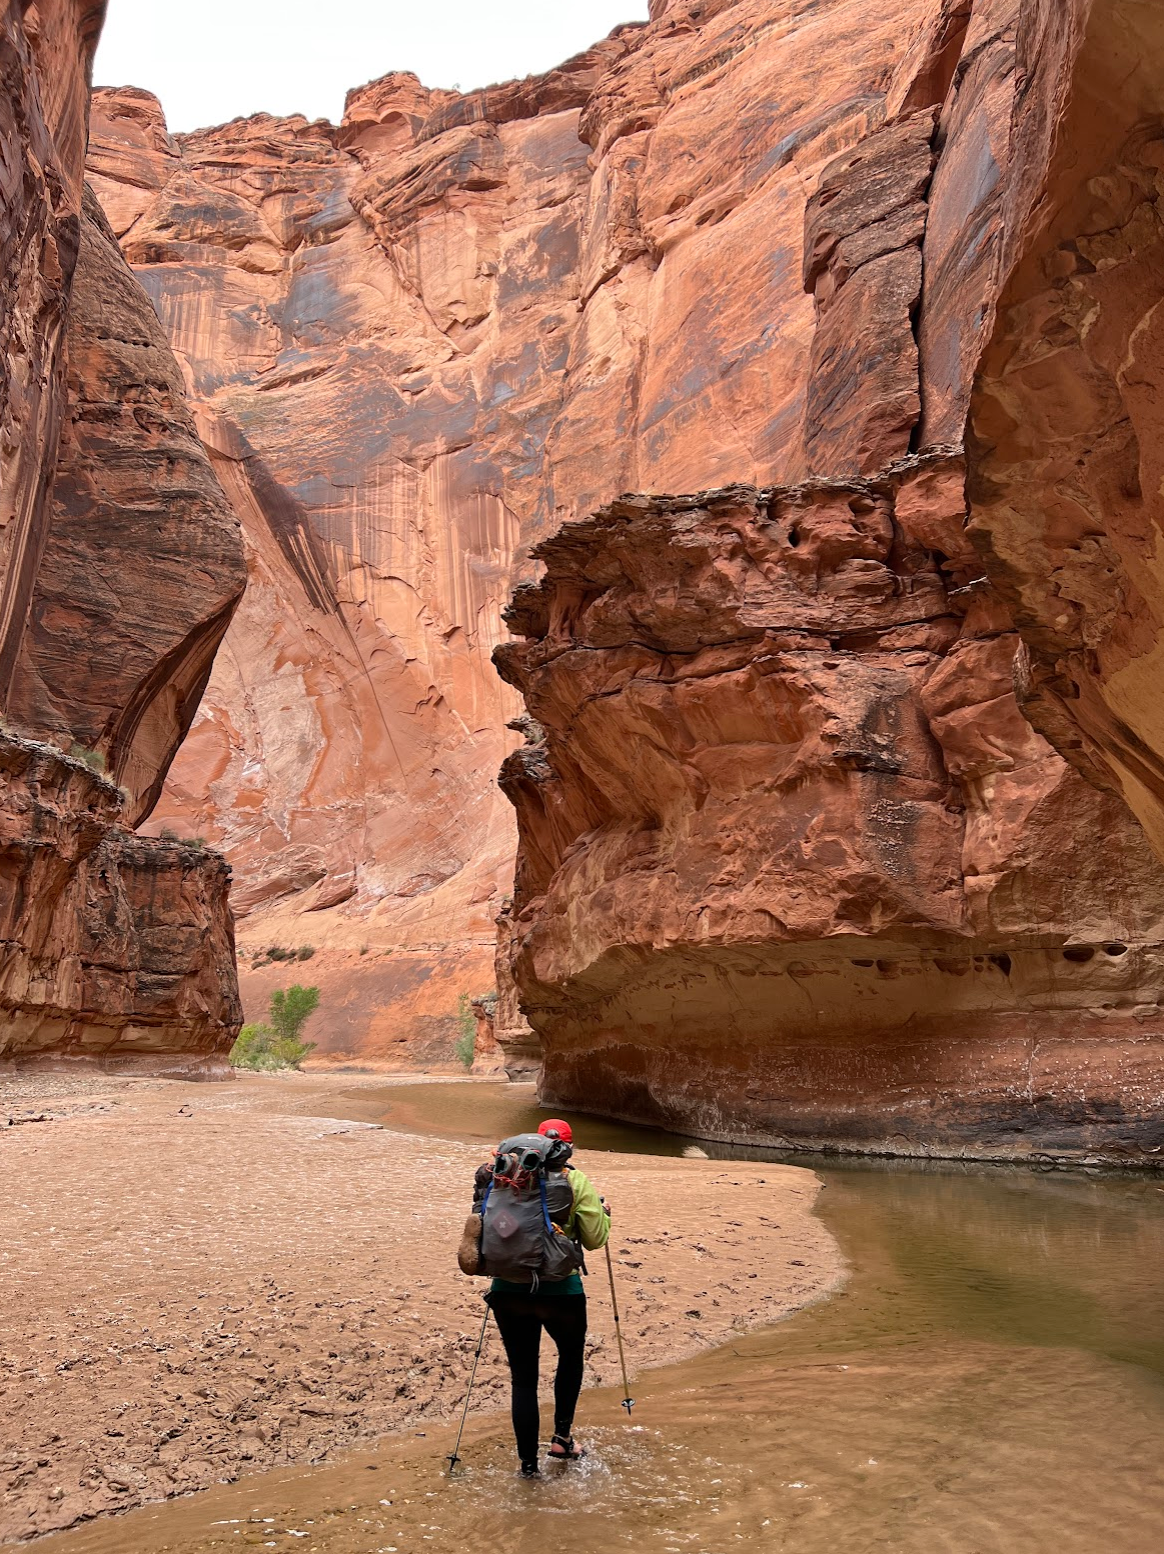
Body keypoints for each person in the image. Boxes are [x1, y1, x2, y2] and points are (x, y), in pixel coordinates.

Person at [484, 1118, 610, 1477]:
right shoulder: (575, 1180)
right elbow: (595, 1238)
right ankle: (561, 1439)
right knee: (570, 1359)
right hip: (561, 1291)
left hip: (508, 1289)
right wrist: (605, 1215)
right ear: (567, 1148)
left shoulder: (503, 1178)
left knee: (523, 1379)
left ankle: (527, 1467)